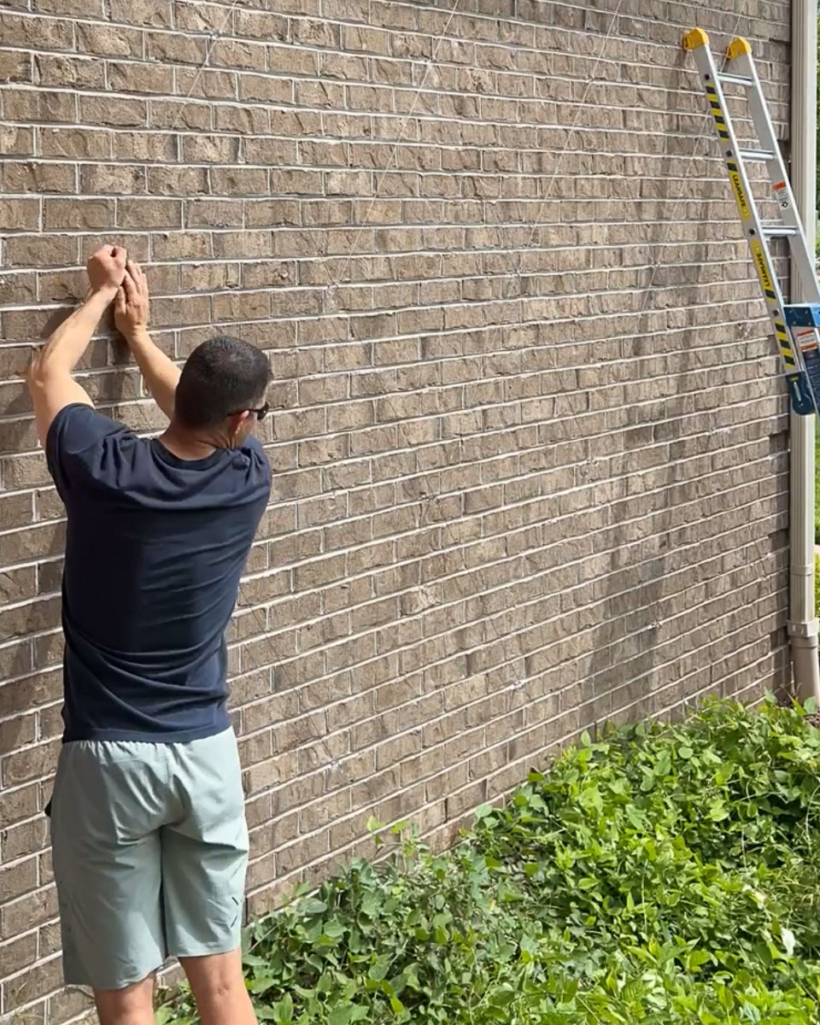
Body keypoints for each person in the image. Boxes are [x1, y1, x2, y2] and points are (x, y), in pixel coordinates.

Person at [26, 245, 271, 1025]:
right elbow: (195, 410)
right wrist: (143, 340)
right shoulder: (246, 478)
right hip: (203, 755)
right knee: (224, 986)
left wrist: (102, 301)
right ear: (241, 421)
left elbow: (46, 377)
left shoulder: (102, 468)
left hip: (107, 760)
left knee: (128, 998)